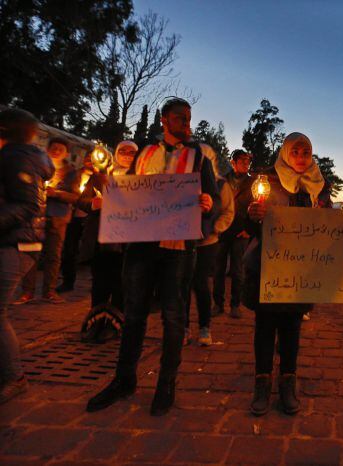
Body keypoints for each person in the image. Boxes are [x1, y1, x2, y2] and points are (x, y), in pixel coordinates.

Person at [86, 97, 221, 416]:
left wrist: (206, 203)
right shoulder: (144, 151)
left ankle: (166, 384)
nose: (186, 123)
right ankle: (124, 379)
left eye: (189, 118)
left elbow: (212, 196)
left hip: (178, 247)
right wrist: (111, 192)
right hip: (141, 246)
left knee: (173, 316)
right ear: (164, 120)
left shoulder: (199, 156)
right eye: (179, 118)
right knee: (134, 313)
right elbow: (129, 190)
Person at [242, 132, 332, 417]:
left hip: (301, 270)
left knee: (292, 327)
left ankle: (287, 382)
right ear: (284, 153)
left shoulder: (319, 186)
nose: (301, 158)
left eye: (306, 152)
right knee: (266, 326)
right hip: (270, 266)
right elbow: (252, 225)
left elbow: (328, 228)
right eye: (296, 152)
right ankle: (262, 382)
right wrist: (254, 215)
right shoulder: (267, 180)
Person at [0, 108, 54, 404]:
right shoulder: (22, 156)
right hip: (19, 242)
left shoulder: (15, 157)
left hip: (15, 243)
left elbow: (27, 204)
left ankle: (14, 376)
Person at [15, 138, 79, 304]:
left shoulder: (72, 172)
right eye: (54, 147)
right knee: (31, 253)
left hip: (58, 217)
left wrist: (56, 194)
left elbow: (75, 197)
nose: (57, 151)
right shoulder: (36, 167)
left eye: (61, 148)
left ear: (66, 153)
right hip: (35, 216)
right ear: (47, 149)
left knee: (53, 255)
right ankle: (27, 291)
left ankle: (49, 291)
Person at [77, 140, 138, 310]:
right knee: (100, 283)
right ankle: (97, 318)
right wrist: (95, 204)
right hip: (102, 240)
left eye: (131, 152)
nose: (126, 155)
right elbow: (81, 201)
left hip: (129, 241)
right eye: (123, 151)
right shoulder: (100, 177)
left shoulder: (143, 179)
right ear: (116, 153)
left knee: (123, 283)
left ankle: (116, 320)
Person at [184, 168, 234, 346]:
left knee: (200, 283)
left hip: (207, 242)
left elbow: (228, 210)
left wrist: (215, 228)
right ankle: (184, 327)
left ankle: (205, 327)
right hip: (183, 240)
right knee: (183, 283)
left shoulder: (220, 184)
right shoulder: (183, 180)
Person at [214, 149, 254, 319]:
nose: (246, 164)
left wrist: (249, 229)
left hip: (241, 230)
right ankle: (217, 304)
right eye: (242, 161)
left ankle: (235, 304)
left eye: (247, 161)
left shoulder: (253, 183)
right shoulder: (222, 180)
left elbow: (258, 205)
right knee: (218, 270)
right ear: (233, 162)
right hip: (223, 231)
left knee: (238, 270)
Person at [57, 156, 95, 293]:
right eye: (88, 159)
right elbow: (64, 189)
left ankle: (94, 282)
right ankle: (68, 282)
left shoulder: (102, 177)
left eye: (93, 159)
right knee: (70, 250)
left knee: (92, 251)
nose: (90, 162)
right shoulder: (74, 174)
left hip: (92, 219)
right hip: (74, 216)